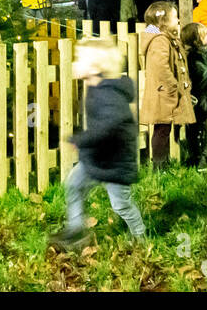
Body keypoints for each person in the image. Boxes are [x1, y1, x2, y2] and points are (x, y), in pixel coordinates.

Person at [51, 38, 146, 248]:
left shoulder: (109, 95)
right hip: (96, 157)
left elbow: (109, 126)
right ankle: (76, 230)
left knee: (121, 206)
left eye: (79, 59)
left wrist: (81, 139)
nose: (74, 63)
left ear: (95, 67)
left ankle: (140, 238)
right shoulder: (95, 87)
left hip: (115, 162)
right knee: (74, 185)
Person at [138, 0, 195, 170]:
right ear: (163, 22)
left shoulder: (165, 38)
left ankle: (162, 163)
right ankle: (159, 166)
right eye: (175, 18)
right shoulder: (159, 41)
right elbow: (160, 66)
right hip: (164, 93)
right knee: (161, 130)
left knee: (164, 129)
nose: (178, 21)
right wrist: (173, 85)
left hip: (165, 92)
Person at [180, 22, 207, 167]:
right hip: (200, 101)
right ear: (196, 40)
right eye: (205, 33)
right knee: (197, 128)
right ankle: (197, 157)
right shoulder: (192, 59)